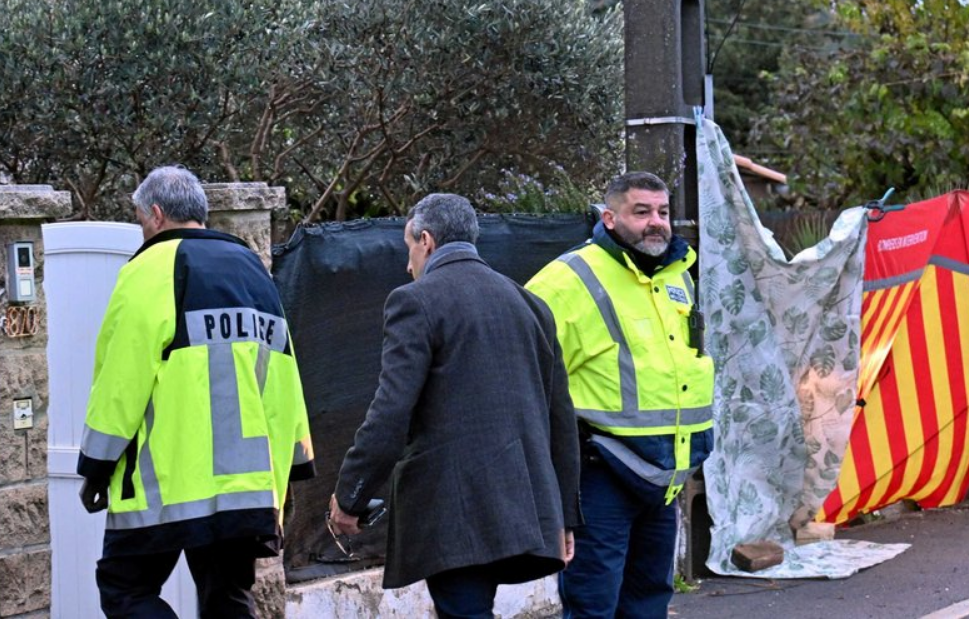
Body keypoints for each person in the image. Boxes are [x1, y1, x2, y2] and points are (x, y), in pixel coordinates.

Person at [327, 193, 582, 619]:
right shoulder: (530, 304)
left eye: (409, 249)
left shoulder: (414, 300)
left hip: (453, 510)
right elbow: (560, 418)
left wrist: (351, 496)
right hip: (527, 506)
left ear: (425, 240)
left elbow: (390, 415)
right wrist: (564, 516)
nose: (408, 265)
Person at [76, 166, 315, 618]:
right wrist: (290, 467)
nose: (142, 230)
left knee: (124, 590)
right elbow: (284, 376)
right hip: (245, 487)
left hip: (164, 483)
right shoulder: (253, 270)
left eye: (140, 219)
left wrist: (96, 464)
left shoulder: (150, 268)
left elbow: (121, 381)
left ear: (158, 214)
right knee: (227, 599)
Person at [526, 172, 715, 618]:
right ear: (609, 218)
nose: (657, 223)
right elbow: (527, 375)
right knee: (594, 604)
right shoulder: (567, 280)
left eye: (663, 212)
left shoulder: (676, 275)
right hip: (602, 473)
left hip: (664, 477)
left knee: (649, 600)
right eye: (642, 211)